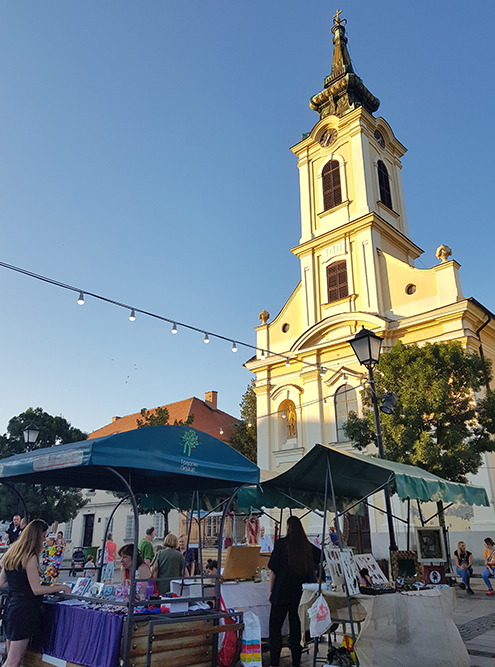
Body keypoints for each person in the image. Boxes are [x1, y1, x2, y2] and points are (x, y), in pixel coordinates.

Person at [0, 519, 71, 667]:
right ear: (37, 536)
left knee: (10, 657)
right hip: (24, 610)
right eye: (44, 535)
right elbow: (36, 589)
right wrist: (60, 587)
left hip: (10, 607)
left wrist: (18, 586)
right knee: (14, 661)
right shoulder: (30, 556)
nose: (45, 539)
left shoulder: (11, 552)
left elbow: (2, 583)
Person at [268, 516, 317, 667]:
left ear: (288, 527)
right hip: (300, 593)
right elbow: (321, 556)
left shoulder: (282, 544)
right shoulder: (306, 546)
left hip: (281, 592)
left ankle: (274, 662)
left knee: (275, 628)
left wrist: (271, 592)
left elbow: (273, 571)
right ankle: (296, 662)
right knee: (296, 629)